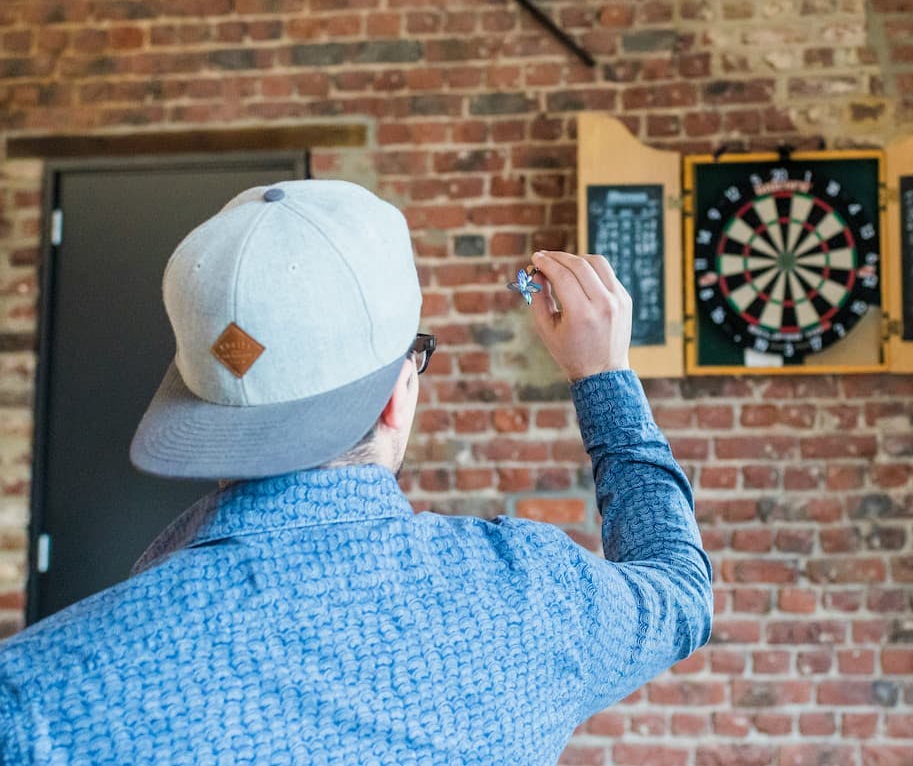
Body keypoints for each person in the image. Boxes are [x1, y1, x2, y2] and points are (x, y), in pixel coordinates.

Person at [0, 179, 712, 764]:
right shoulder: (532, 597)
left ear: (199, 411)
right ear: (400, 395)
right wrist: (604, 375)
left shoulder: (30, 698)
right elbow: (680, 588)